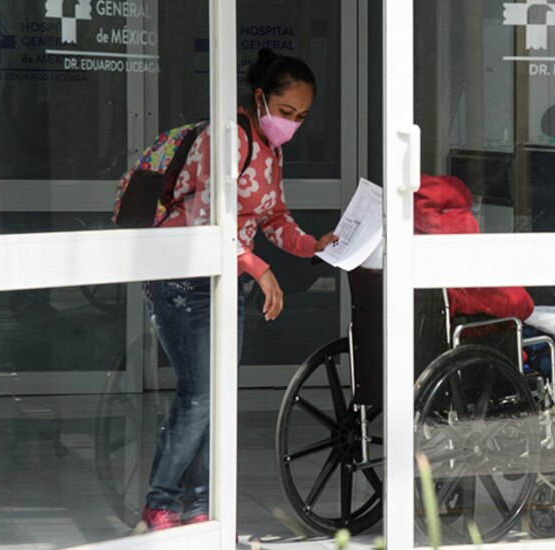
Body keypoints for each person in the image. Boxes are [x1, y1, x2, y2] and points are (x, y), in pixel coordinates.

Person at [140, 48, 337, 531]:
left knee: (216, 395)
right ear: (260, 98)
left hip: (225, 280)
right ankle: (161, 502)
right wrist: (257, 266)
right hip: (184, 276)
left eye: (302, 117)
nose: (292, 124)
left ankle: (199, 507)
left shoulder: (271, 149)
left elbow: (273, 217)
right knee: (200, 395)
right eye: (286, 112)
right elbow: (209, 218)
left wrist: (315, 244)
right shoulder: (225, 139)